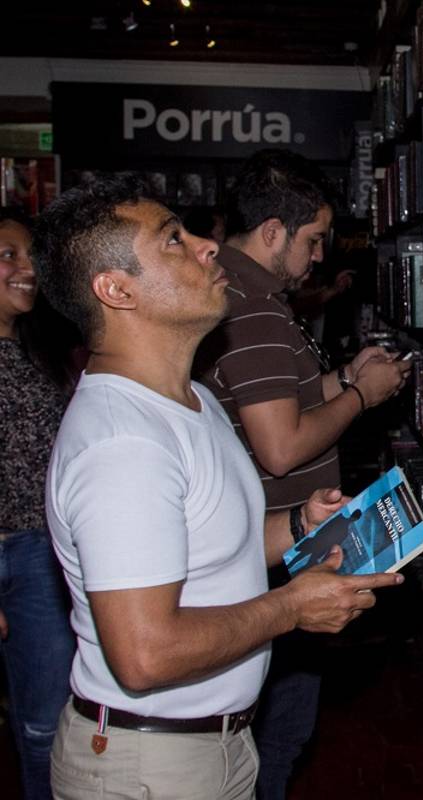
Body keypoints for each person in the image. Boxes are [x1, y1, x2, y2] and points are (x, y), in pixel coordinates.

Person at [31, 175, 402, 799]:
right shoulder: (124, 444)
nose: (207, 246)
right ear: (115, 290)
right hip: (149, 764)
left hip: (211, 745)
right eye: (173, 240)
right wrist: (293, 606)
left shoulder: (192, 398)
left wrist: (301, 527)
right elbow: (145, 654)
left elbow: (211, 546)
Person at [194, 149, 410, 800]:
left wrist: (343, 378)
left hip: (260, 536)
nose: (318, 258)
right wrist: (362, 397)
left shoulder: (237, 292)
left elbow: (273, 402)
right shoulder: (253, 310)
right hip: (276, 549)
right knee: (281, 731)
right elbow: (281, 448)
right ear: (272, 233)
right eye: (312, 241)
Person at [0, 207, 76, 800]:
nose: (27, 269)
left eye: (30, 256)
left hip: (37, 556)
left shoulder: (37, 349)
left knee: (45, 724)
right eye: (8, 256)